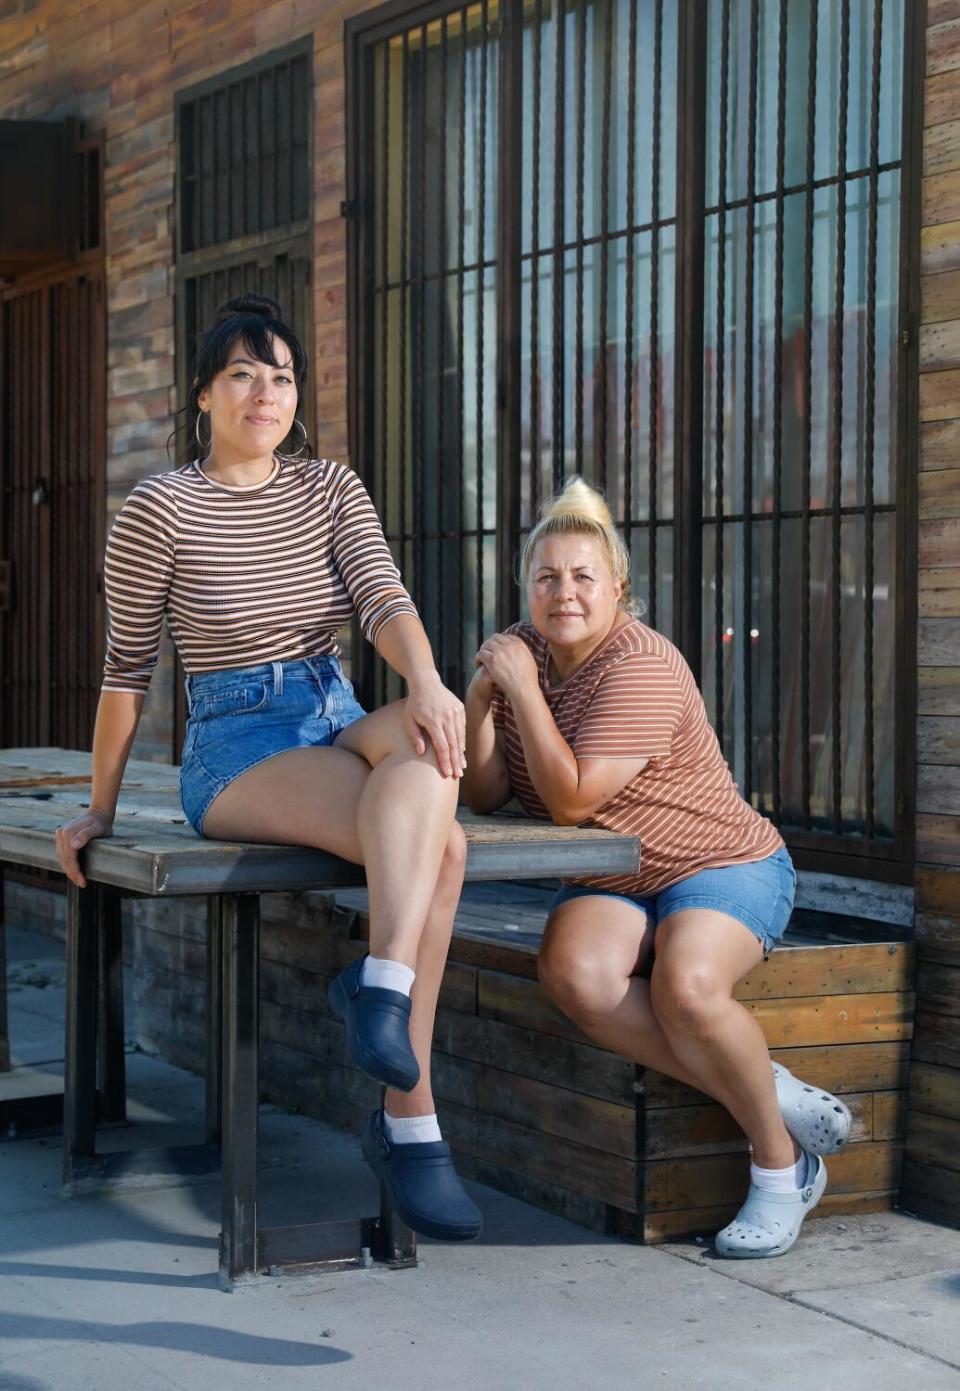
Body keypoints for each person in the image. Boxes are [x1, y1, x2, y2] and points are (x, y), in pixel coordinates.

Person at [54, 293, 480, 1243]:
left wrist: (429, 683)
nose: (265, 391)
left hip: (333, 705)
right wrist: (100, 808)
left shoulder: (331, 487)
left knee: (427, 745)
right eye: (242, 373)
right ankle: (412, 1122)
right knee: (441, 849)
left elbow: (381, 594)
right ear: (203, 392)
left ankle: (380, 982)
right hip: (236, 737)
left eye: (281, 375)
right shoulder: (160, 508)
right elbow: (126, 673)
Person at [461, 477, 851, 1258]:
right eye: (545, 577)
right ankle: (763, 1086)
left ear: (618, 589)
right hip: (619, 873)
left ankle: (783, 1167)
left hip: (721, 861)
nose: (562, 593)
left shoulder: (641, 664)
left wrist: (521, 692)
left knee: (687, 990)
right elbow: (487, 788)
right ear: (526, 587)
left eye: (581, 577)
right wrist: (478, 698)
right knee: (573, 972)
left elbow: (569, 801)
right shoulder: (525, 653)